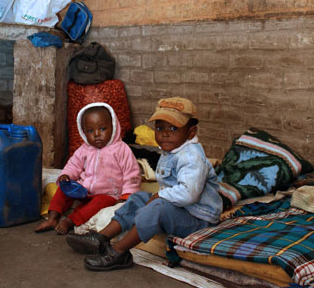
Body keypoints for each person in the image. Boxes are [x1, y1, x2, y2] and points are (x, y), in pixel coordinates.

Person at [66, 96, 223, 270]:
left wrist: (159, 196)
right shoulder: (172, 149)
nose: (165, 133)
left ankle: (119, 252)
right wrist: (157, 197)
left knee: (157, 209)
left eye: (173, 128)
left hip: (197, 218)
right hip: (180, 209)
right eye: (160, 127)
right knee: (138, 198)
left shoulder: (191, 157)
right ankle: (101, 237)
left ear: (191, 132)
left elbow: (189, 193)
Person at [35, 102, 141, 235]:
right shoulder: (85, 149)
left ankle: (70, 221)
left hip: (108, 194)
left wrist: (126, 196)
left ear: (113, 126)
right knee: (62, 190)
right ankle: (52, 218)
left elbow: (131, 175)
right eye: (90, 131)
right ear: (83, 132)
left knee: (100, 202)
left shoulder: (121, 149)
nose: (96, 134)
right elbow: (74, 165)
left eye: (102, 129)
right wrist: (67, 175)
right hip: (83, 190)